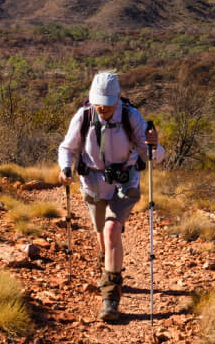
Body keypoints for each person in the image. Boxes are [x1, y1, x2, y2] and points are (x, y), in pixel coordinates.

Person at [57, 71, 162, 322]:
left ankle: (110, 296)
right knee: (101, 233)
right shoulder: (84, 116)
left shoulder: (131, 117)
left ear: (117, 100)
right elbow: (67, 148)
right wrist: (65, 168)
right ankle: (108, 267)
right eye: (98, 103)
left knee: (112, 230)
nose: (102, 108)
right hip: (93, 183)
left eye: (106, 104)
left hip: (125, 184)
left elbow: (151, 156)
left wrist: (154, 145)